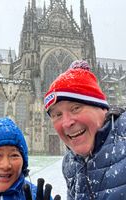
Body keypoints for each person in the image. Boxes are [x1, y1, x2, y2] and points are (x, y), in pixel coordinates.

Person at [44, 60, 126, 200]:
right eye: (57, 115)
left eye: (76, 108)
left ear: (101, 107)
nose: (66, 123)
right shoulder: (70, 163)